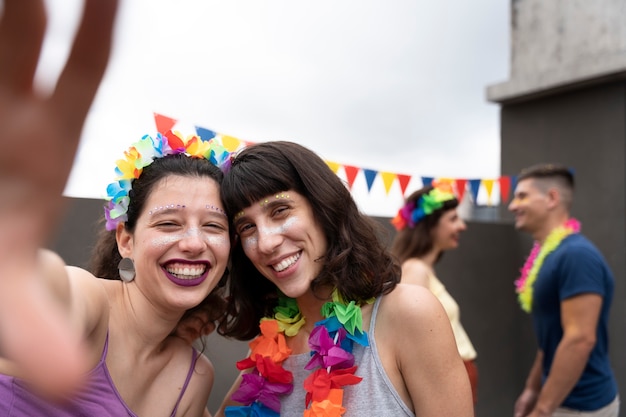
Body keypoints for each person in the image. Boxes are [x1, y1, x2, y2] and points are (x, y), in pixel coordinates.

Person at [214, 141, 473, 417]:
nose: (265, 242)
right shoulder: (267, 355)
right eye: (247, 226)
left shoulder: (408, 312)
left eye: (279, 211)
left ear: (323, 206)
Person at [509, 164, 619, 417]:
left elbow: (579, 339)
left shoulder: (576, 256)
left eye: (522, 196)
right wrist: (532, 389)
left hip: (581, 406)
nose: (513, 205)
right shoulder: (550, 255)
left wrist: (542, 409)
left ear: (552, 198)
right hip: (560, 399)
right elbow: (552, 336)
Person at [389, 184, 478, 405]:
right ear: (430, 225)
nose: (462, 226)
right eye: (453, 219)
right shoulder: (416, 271)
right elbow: (410, 341)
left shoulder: (422, 269)